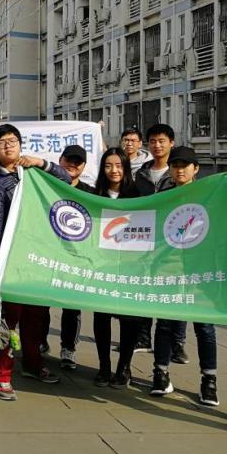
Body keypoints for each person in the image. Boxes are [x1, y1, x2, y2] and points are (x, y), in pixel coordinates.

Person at [0, 124, 70, 395]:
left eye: (12, 140)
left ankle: (33, 364)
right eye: (1, 142)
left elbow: (66, 180)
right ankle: (1, 373)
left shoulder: (33, 172)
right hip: (12, 260)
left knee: (37, 316)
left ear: (20, 144)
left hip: (38, 258)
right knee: (9, 320)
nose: (8, 146)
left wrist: (42, 163)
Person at [148, 146, 219, 406]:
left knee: (205, 327)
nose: (179, 170)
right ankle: (160, 373)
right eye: (175, 165)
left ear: (196, 168)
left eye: (185, 165)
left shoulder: (210, 194)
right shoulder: (162, 197)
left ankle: (209, 381)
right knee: (165, 324)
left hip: (200, 272)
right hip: (169, 270)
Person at [91, 147, 143, 389]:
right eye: (108, 165)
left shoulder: (138, 194)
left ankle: (124, 367)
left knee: (129, 319)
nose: (114, 170)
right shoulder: (94, 194)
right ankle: (104, 366)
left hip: (131, 267)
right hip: (102, 267)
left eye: (119, 165)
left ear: (126, 168)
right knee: (101, 317)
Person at [133, 123, 177, 352]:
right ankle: (143, 337)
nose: (157, 145)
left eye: (162, 141)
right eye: (153, 141)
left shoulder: (179, 171)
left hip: (172, 240)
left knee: (171, 291)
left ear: (171, 143)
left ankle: (177, 343)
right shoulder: (141, 173)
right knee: (145, 287)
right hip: (145, 238)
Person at [53, 143, 94, 371]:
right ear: (60, 161)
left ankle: (68, 349)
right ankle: (39, 343)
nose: (72, 165)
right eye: (69, 160)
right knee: (41, 302)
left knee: (72, 307)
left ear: (84, 166)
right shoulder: (47, 185)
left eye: (78, 162)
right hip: (48, 253)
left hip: (76, 258)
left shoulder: (90, 192)